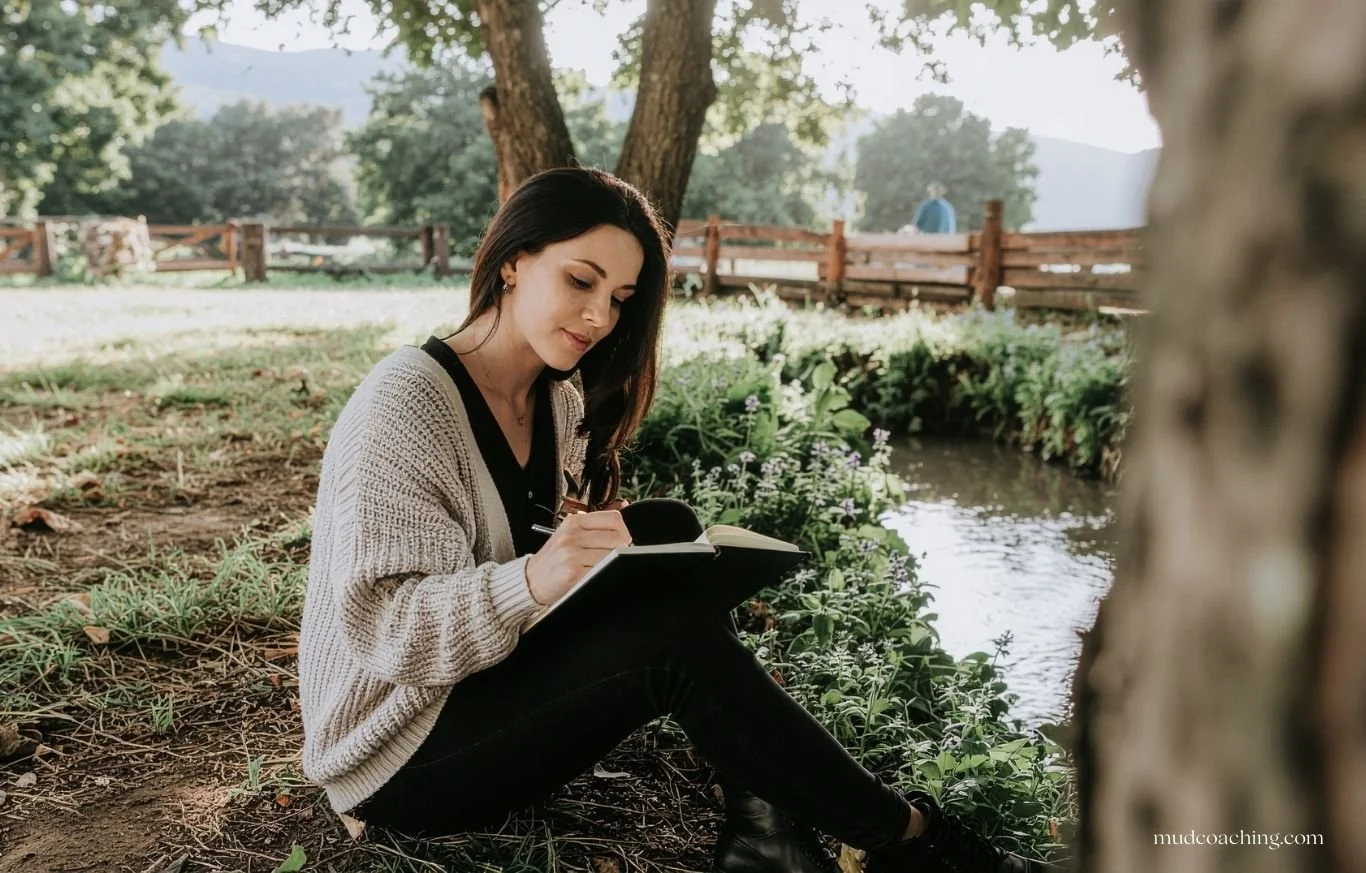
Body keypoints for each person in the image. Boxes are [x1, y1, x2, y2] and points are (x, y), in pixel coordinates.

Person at [297, 166, 1055, 873]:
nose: (600, 316)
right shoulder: (408, 403)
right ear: (513, 261)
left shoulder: (555, 399)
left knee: (668, 535)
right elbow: (390, 627)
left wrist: (596, 561)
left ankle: (766, 832)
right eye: (580, 280)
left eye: (621, 297)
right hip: (393, 754)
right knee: (669, 640)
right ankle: (912, 841)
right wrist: (534, 577)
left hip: (470, 693)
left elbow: (518, 564)